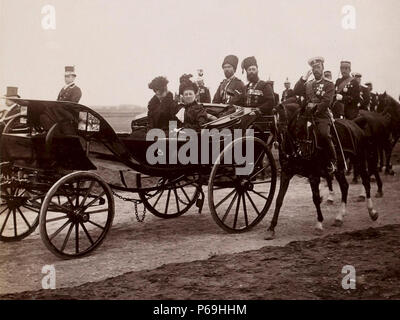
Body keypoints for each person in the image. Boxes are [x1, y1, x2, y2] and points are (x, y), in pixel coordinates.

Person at [294, 56, 337, 173]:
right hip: (308, 115)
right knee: (296, 131)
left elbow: (327, 101)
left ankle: (333, 161)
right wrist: (304, 78)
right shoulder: (308, 84)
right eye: (313, 68)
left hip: (321, 115)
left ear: (322, 68)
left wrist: (315, 109)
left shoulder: (329, 84)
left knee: (324, 134)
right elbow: (296, 91)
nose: (315, 69)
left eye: (318, 67)